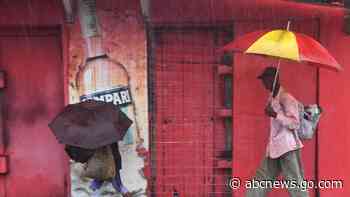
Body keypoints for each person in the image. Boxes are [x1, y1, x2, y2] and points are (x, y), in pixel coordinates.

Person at [246, 67, 308, 197]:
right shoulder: (273, 98)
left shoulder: (286, 98)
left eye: (266, 79)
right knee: (261, 179)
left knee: (295, 183)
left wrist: (275, 114)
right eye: (263, 80)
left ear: (274, 79)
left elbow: (294, 123)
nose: (264, 83)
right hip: (275, 148)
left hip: (287, 148)